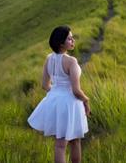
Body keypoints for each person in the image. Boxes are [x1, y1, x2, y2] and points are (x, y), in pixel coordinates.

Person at [28, 26, 90, 163]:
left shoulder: (49, 58)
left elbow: (45, 85)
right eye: (69, 38)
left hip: (55, 101)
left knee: (60, 145)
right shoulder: (71, 61)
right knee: (75, 142)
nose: (73, 40)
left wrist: (57, 93)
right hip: (71, 103)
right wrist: (86, 100)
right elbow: (76, 90)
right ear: (61, 43)